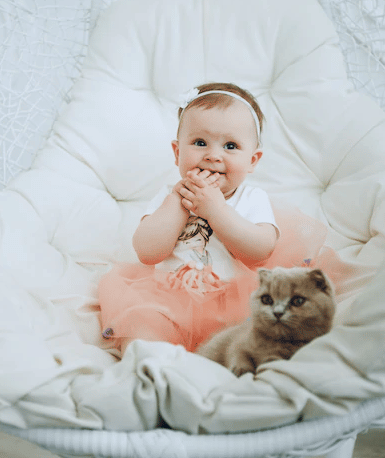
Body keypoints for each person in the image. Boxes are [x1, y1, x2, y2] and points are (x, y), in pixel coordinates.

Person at [98, 82, 337, 354]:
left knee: (252, 336)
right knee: (143, 323)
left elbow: (259, 252)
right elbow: (147, 252)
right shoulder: (171, 196)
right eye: (200, 143)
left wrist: (215, 209)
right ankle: (153, 363)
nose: (213, 155)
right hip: (166, 299)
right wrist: (178, 204)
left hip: (232, 301)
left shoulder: (251, 198)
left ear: (253, 160)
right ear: (178, 153)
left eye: (231, 146)